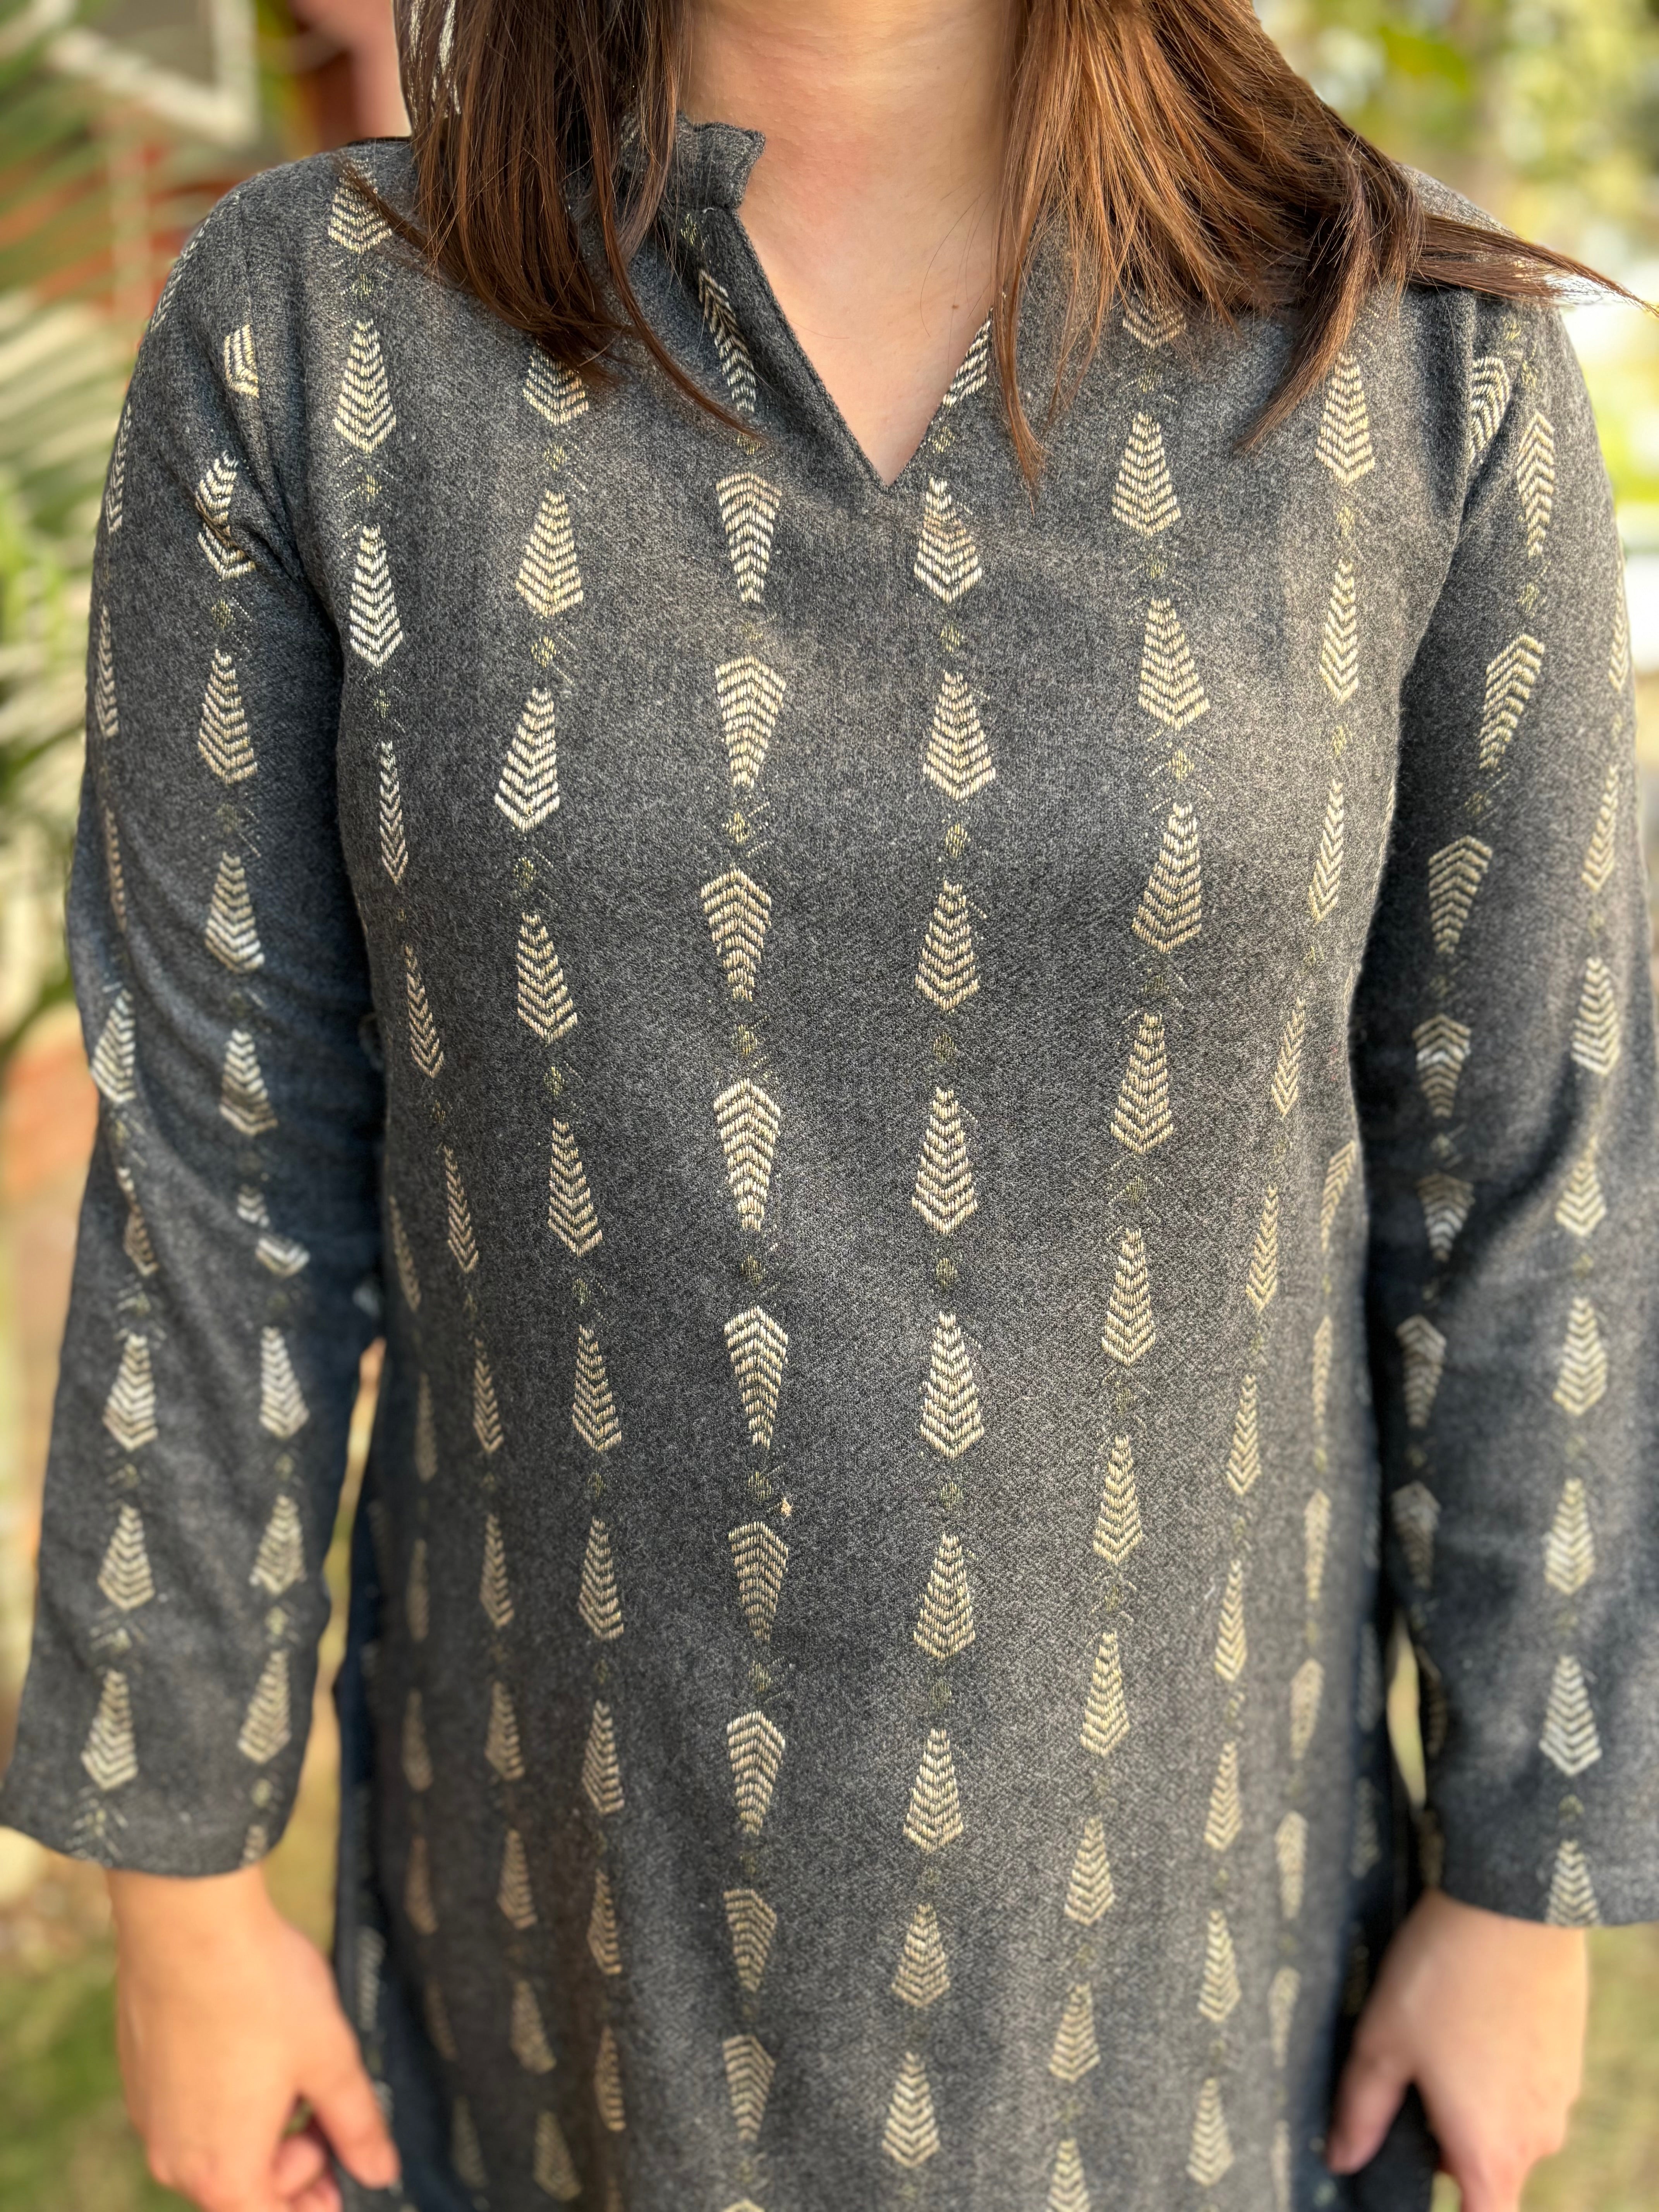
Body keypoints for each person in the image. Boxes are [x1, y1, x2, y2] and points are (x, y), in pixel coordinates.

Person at [1, 0, 1654, 2207]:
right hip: (566, 1942)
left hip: (1201, 1950)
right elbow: (221, 1163)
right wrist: (186, 1893)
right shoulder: (324, 331)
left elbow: (1530, 1167)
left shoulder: (1412, 359)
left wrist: (1530, 1875)